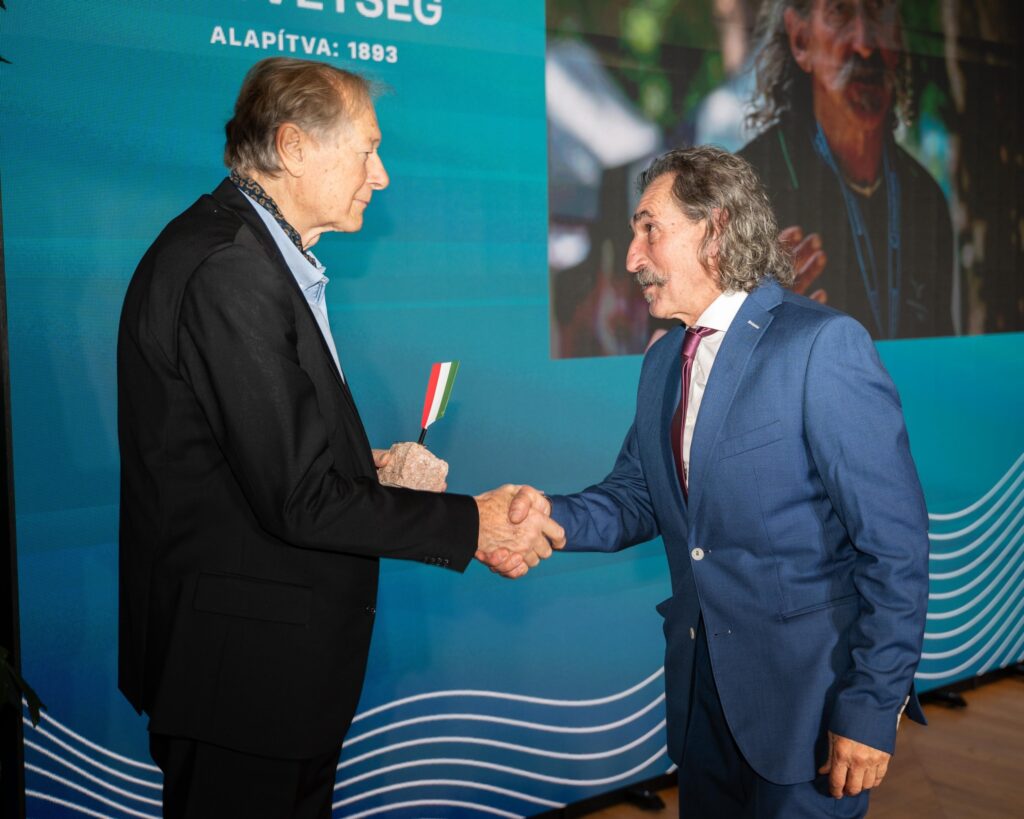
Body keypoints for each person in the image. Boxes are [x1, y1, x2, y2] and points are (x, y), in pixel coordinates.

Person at [117, 57, 563, 818]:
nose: (381, 176)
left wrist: (371, 467)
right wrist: (474, 522)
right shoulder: (231, 269)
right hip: (244, 683)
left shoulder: (252, 254)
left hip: (264, 677)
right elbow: (298, 498)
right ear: (293, 147)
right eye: (368, 150)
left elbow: (253, 454)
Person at [487, 146, 929, 817]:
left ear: (715, 229)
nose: (631, 257)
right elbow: (638, 495)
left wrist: (871, 703)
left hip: (807, 709)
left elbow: (894, 547)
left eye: (649, 229)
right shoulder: (665, 358)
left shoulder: (821, 345)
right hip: (701, 704)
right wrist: (546, 516)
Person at [739, 0, 955, 339]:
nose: (865, 43)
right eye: (839, 12)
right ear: (801, 41)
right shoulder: (743, 188)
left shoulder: (924, 197)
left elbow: (942, 356)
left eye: (879, 9)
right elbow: (673, 348)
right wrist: (748, 319)